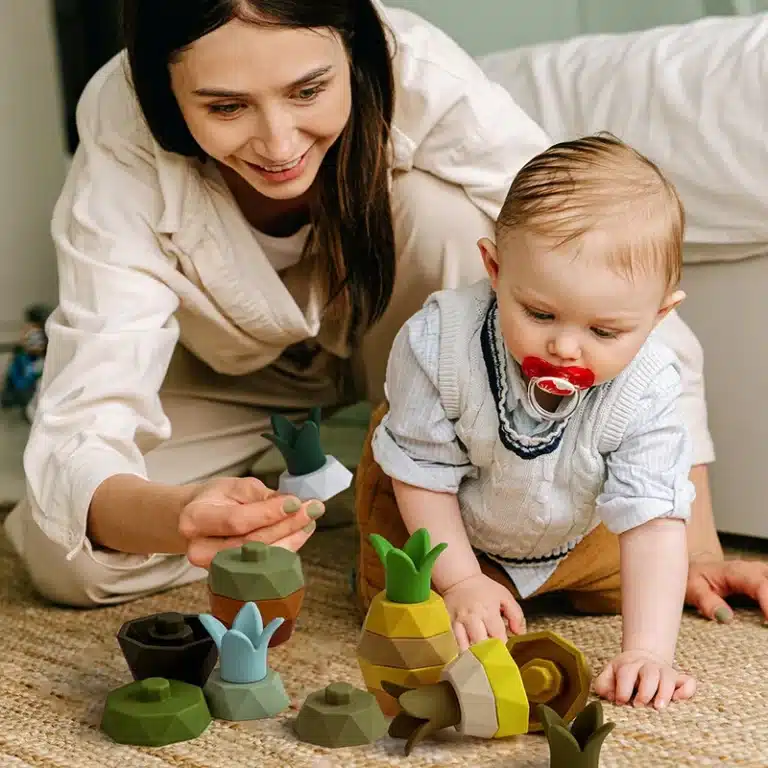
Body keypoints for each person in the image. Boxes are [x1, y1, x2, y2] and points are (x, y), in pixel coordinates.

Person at [4, 0, 710, 612]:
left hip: (419, 352)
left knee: (443, 215)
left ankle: (410, 469)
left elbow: (603, 273)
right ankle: (355, 478)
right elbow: (85, 419)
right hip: (224, 379)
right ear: (163, 91)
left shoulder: (419, 70)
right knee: (69, 557)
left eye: (309, 90)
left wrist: (700, 547)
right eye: (225, 107)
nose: (279, 144)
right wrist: (180, 515)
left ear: (353, 48)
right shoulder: (120, 123)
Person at [367, 134, 696, 709]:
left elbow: (652, 517)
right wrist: (463, 581)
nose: (566, 346)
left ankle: (558, 588)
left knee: (640, 582)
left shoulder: (652, 385)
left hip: (573, 528)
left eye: (605, 331)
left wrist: (649, 651)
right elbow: (422, 475)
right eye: (540, 313)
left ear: (659, 314)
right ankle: (463, 580)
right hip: (437, 510)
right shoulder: (437, 342)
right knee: (403, 609)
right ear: (494, 268)